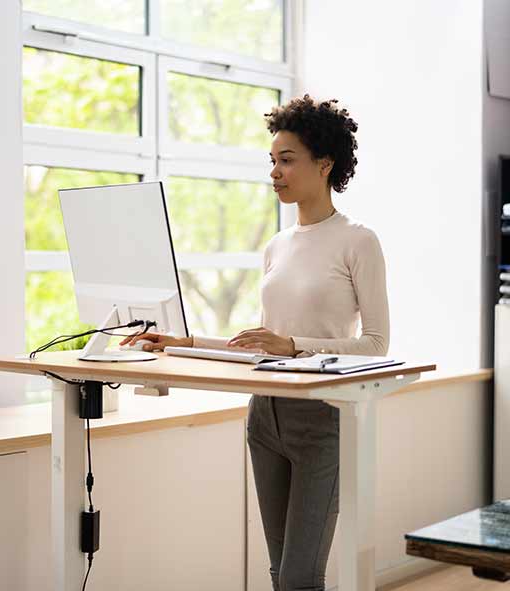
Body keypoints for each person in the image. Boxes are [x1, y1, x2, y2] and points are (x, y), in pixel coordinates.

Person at [121, 94, 389, 591]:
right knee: (277, 572)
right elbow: (261, 345)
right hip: (264, 416)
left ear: (325, 163)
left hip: (321, 419)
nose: (275, 172)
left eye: (287, 160)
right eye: (272, 161)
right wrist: (180, 341)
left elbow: (375, 345)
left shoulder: (358, 240)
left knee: (299, 576)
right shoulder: (276, 245)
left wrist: (293, 345)